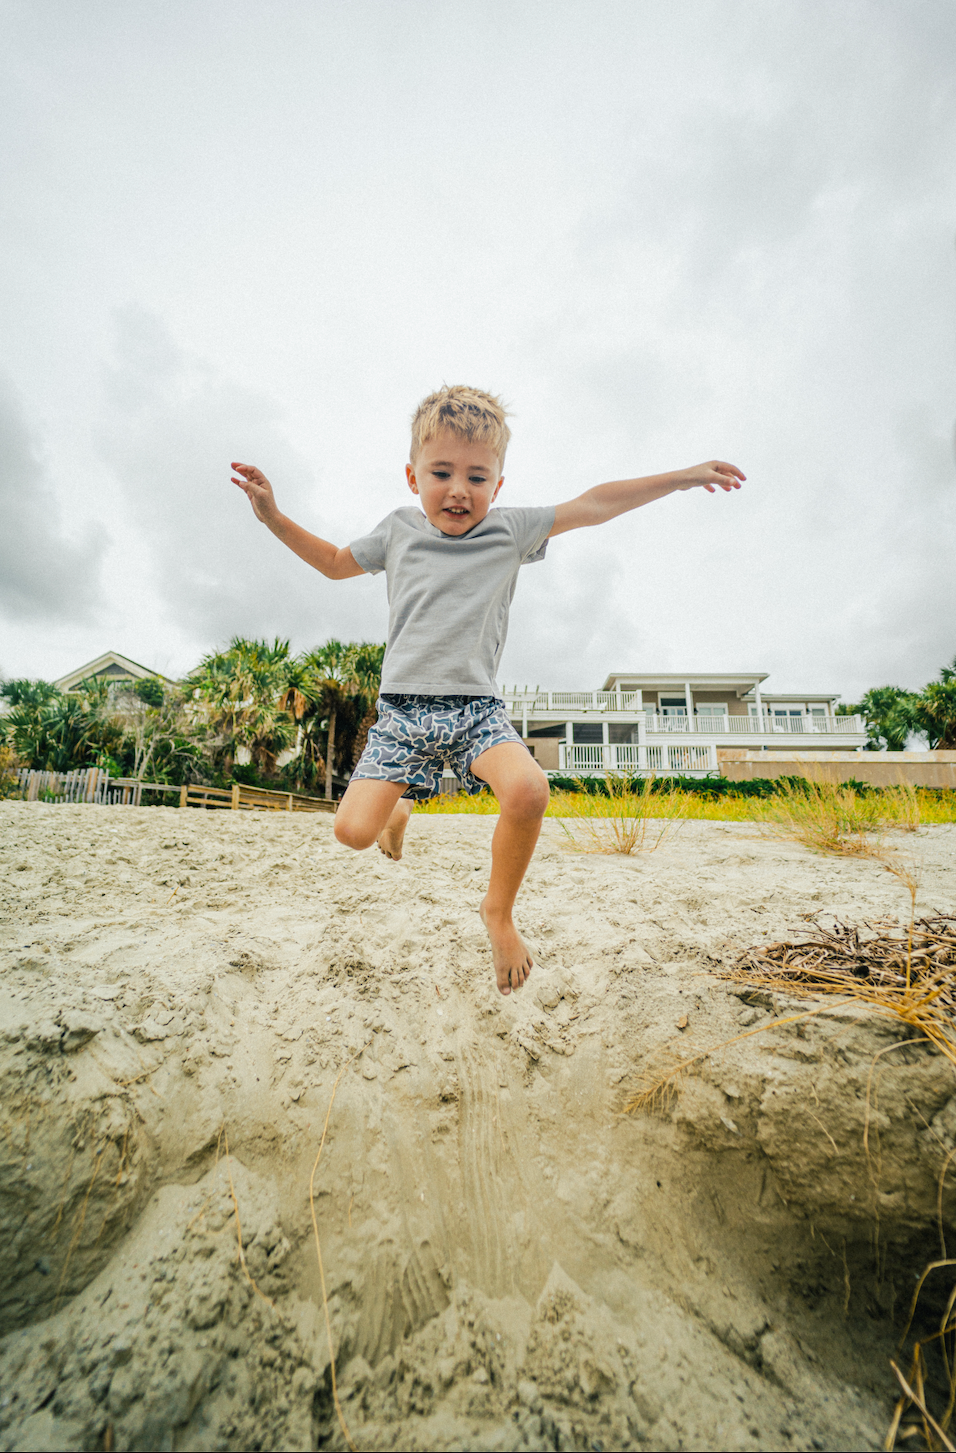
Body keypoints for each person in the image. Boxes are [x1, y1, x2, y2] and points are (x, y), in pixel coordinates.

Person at [232, 385, 743, 996]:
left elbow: (594, 503)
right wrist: (272, 517)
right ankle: (398, 808)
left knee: (529, 791)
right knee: (352, 834)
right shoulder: (397, 531)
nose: (458, 489)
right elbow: (337, 562)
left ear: (498, 484)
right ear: (412, 475)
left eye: (477, 476)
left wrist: (682, 477)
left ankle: (497, 912)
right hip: (401, 714)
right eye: (441, 472)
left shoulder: (510, 530)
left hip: (476, 711)